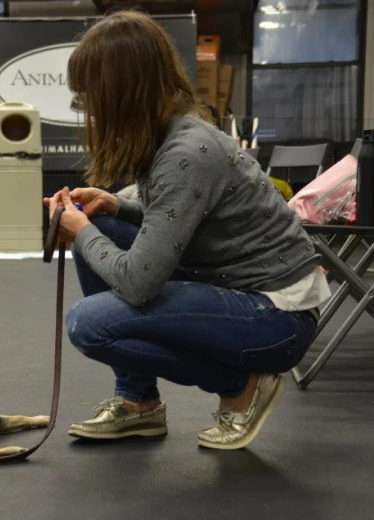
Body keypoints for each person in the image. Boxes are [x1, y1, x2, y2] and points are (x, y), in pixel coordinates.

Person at [44, 10, 331, 450]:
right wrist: (114, 205)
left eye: (90, 96)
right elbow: (182, 218)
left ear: (120, 92)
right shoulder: (170, 135)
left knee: (89, 325)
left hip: (276, 318)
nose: (89, 109)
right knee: (102, 227)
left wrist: (79, 228)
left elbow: (139, 283)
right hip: (241, 289)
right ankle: (138, 403)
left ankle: (243, 385)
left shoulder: (187, 152)